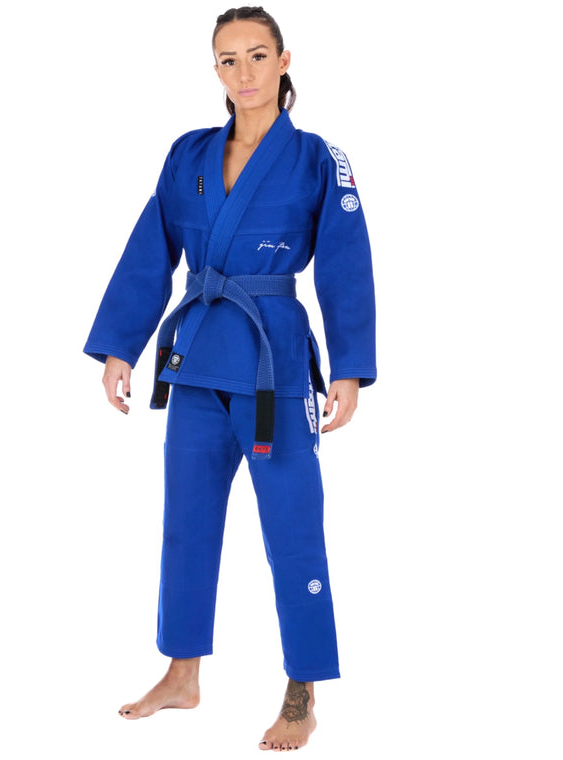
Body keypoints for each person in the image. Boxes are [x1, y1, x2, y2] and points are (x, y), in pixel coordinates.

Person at [83, 5, 376, 752]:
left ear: (284, 61)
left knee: (294, 531)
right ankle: (182, 673)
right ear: (214, 69)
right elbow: (151, 249)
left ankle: (303, 688)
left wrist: (349, 369)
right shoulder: (187, 153)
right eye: (227, 59)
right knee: (187, 524)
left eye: (256, 55)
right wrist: (120, 347)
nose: (243, 72)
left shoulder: (319, 159)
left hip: (274, 367)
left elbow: (346, 263)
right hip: (198, 362)